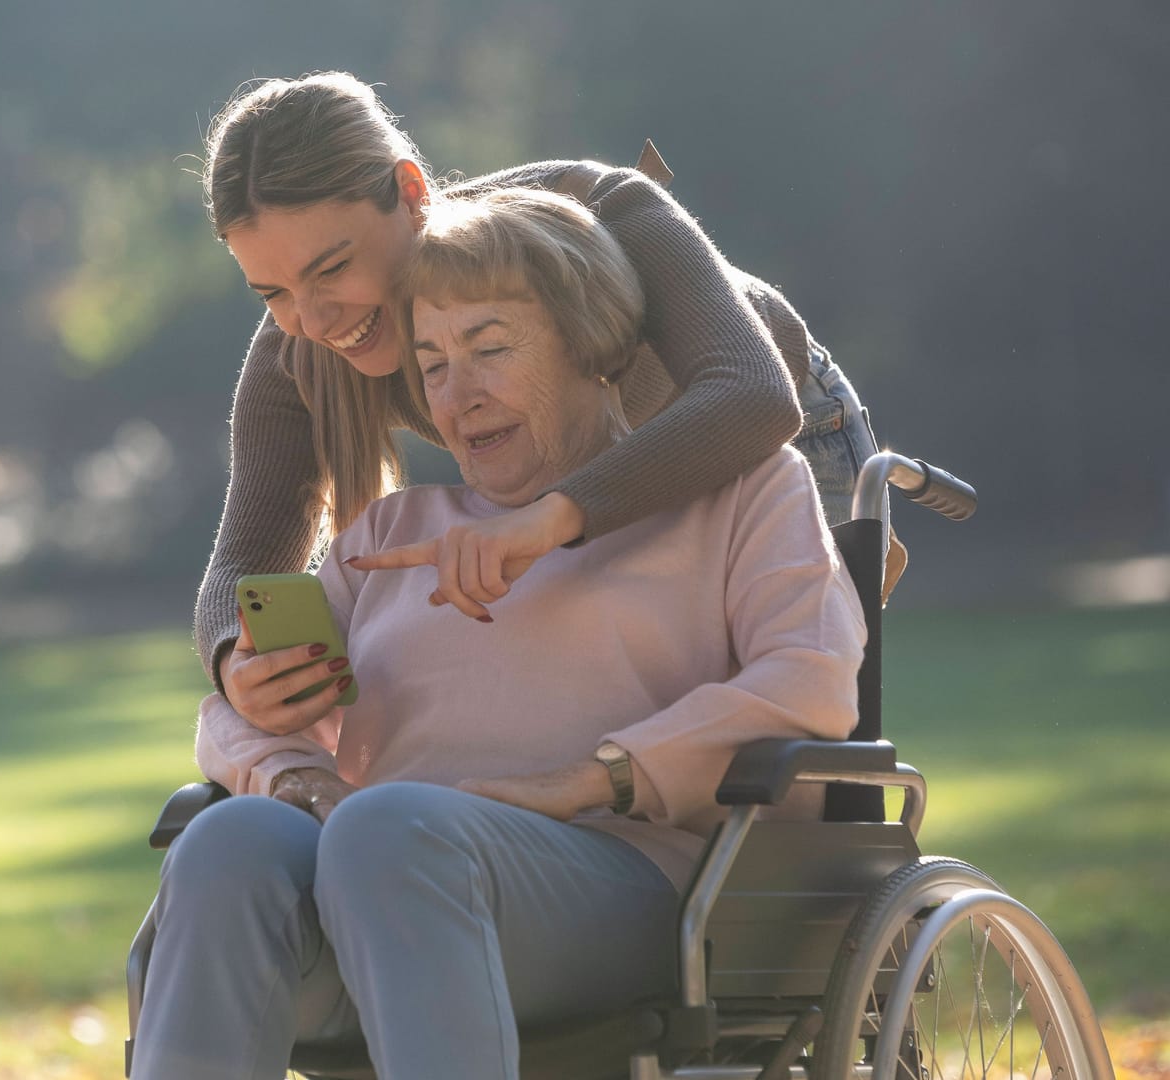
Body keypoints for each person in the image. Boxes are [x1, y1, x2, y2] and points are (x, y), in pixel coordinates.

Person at [128, 189, 866, 1080]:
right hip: (380, 884)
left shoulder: (745, 492)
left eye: (490, 349)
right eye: (433, 364)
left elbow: (811, 681)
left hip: (634, 890)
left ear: (592, 346)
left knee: (390, 832)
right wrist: (299, 775)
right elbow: (233, 720)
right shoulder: (388, 536)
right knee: (228, 841)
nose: (459, 396)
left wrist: (591, 778)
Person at [196, 72, 891, 739]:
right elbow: (240, 565)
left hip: (781, 438)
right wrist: (238, 660)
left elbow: (753, 397)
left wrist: (548, 517)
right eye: (273, 293)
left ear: (409, 191)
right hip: (588, 486)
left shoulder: (591, 205)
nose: (313, 321)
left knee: (788, 737)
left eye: (331, 268)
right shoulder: (299, 353)